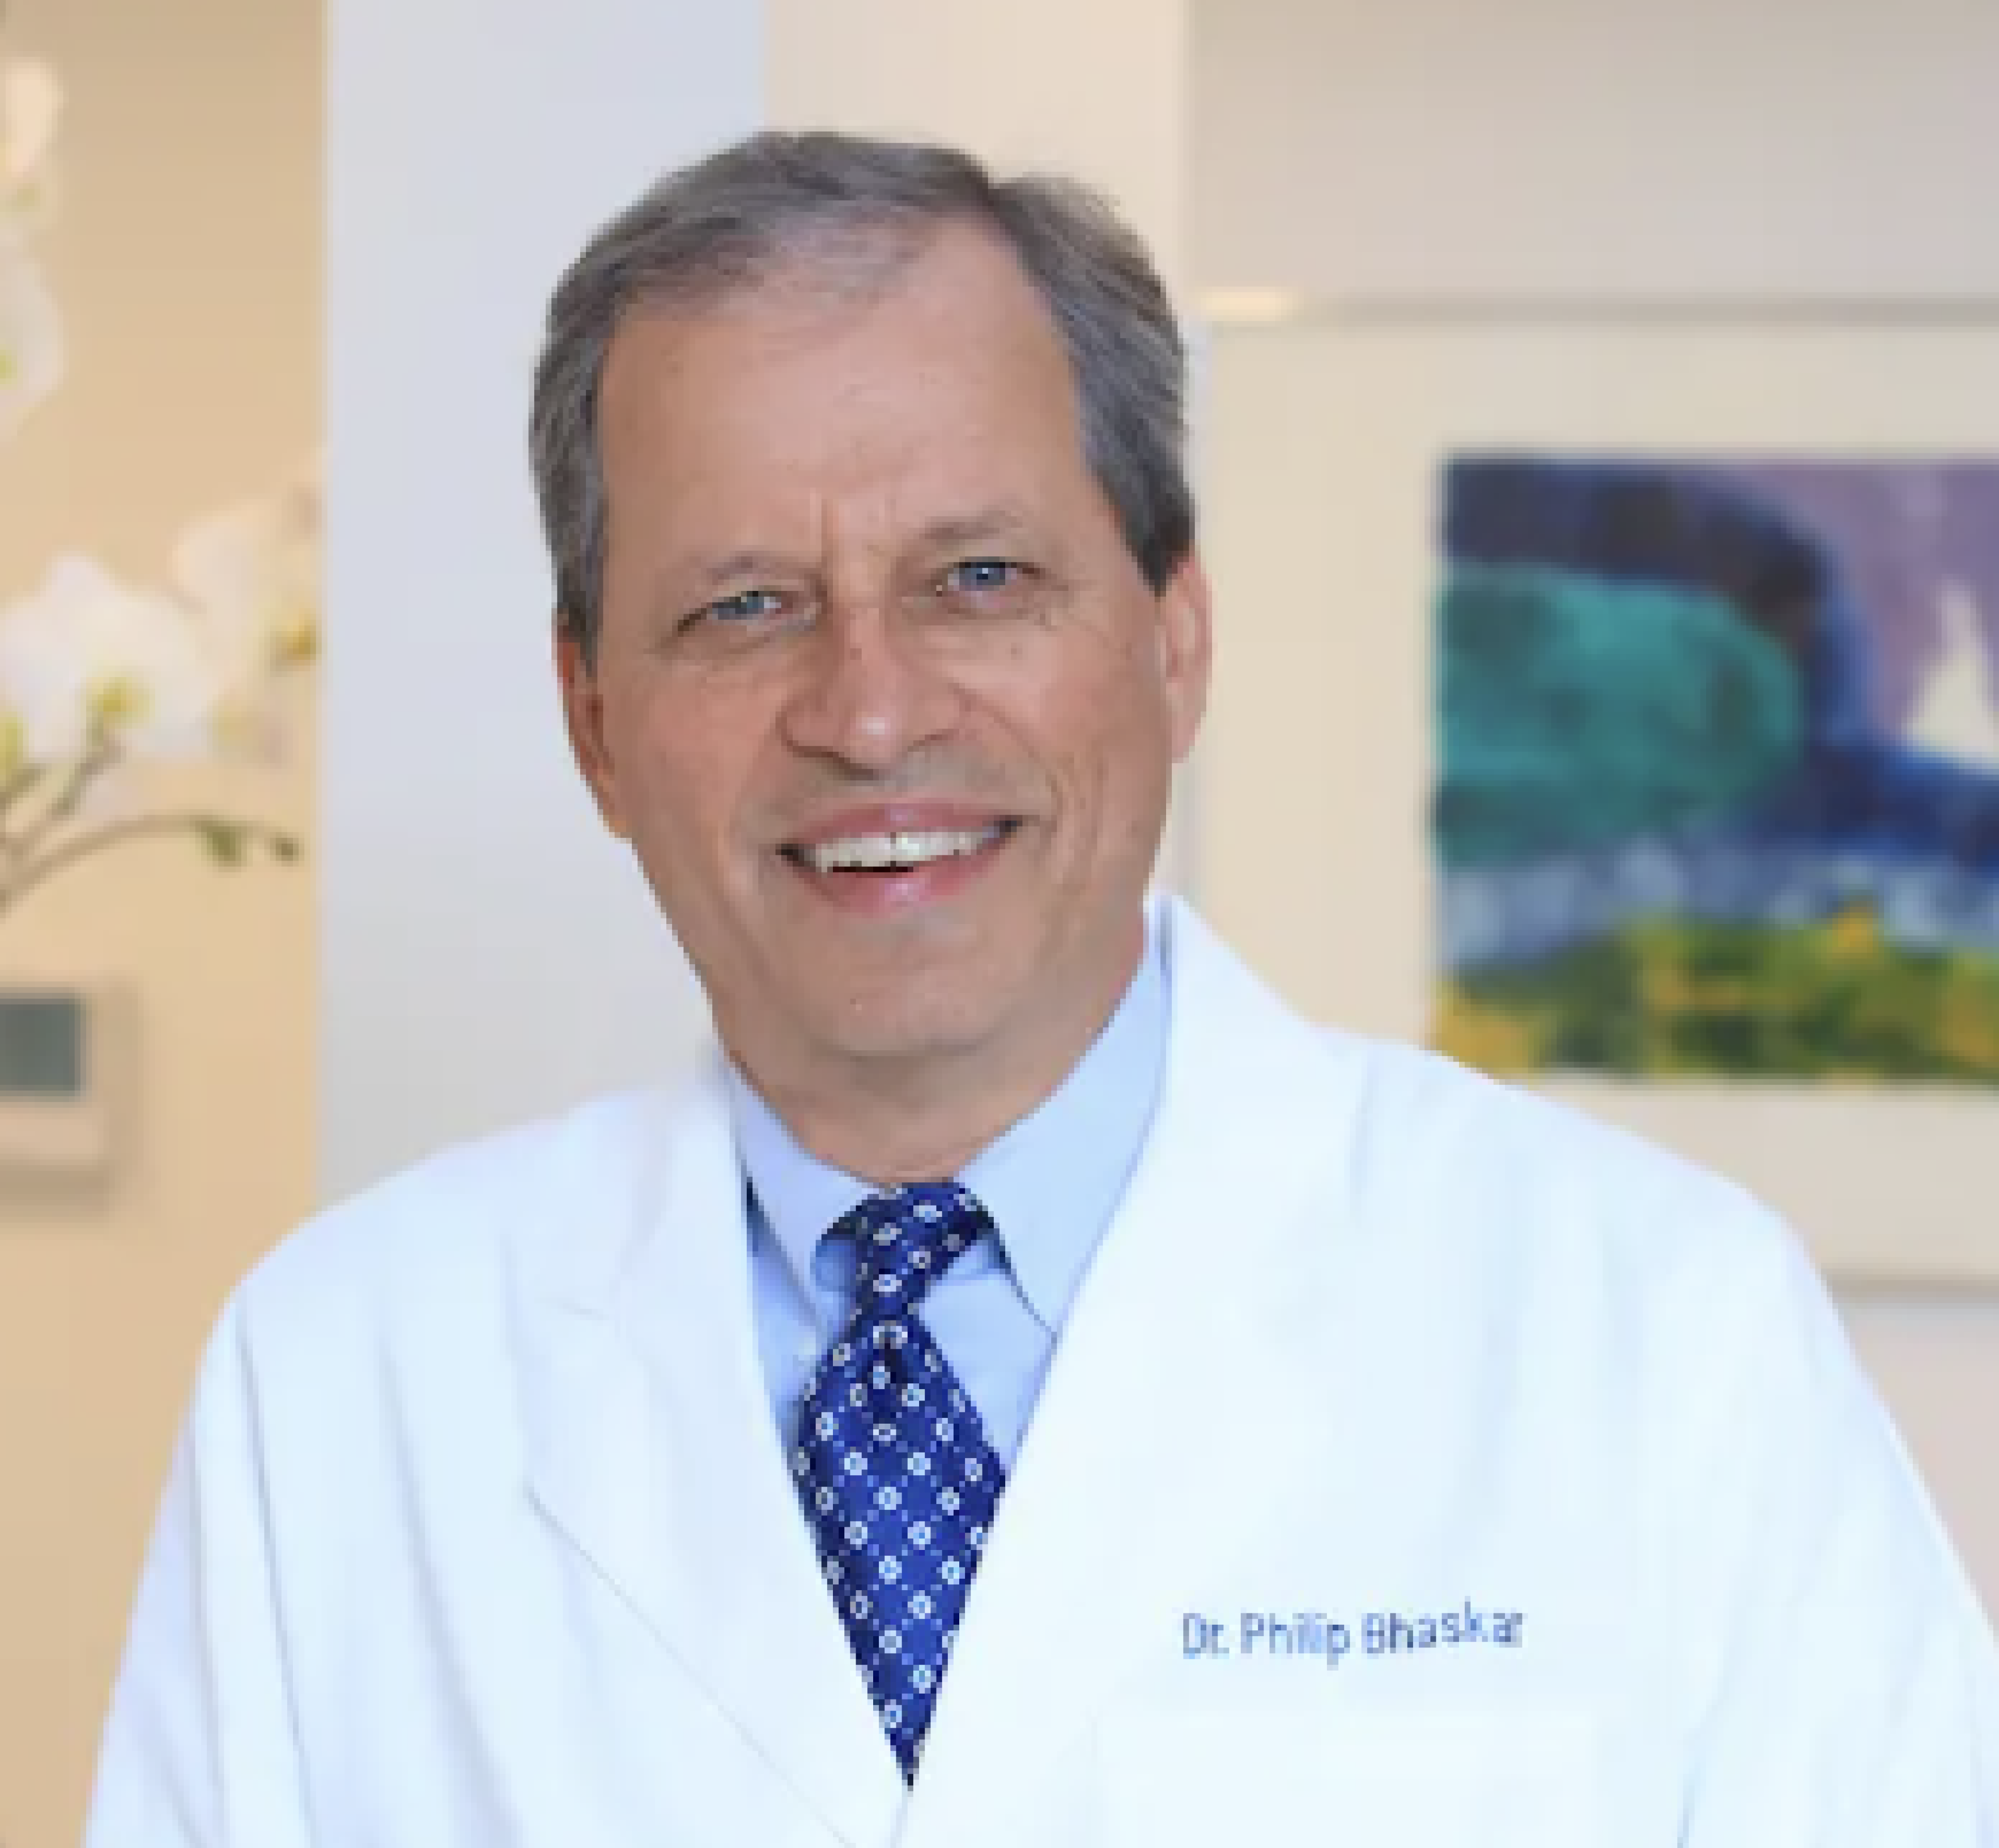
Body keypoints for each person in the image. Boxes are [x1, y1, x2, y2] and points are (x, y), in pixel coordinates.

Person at [85, 130, 1998, 1848]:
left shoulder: (1656, 1331)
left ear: (1175, 642)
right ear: (593, 719)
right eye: (741, 606)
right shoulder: (338, 1380)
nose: (868, 710)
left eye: (979, 577)